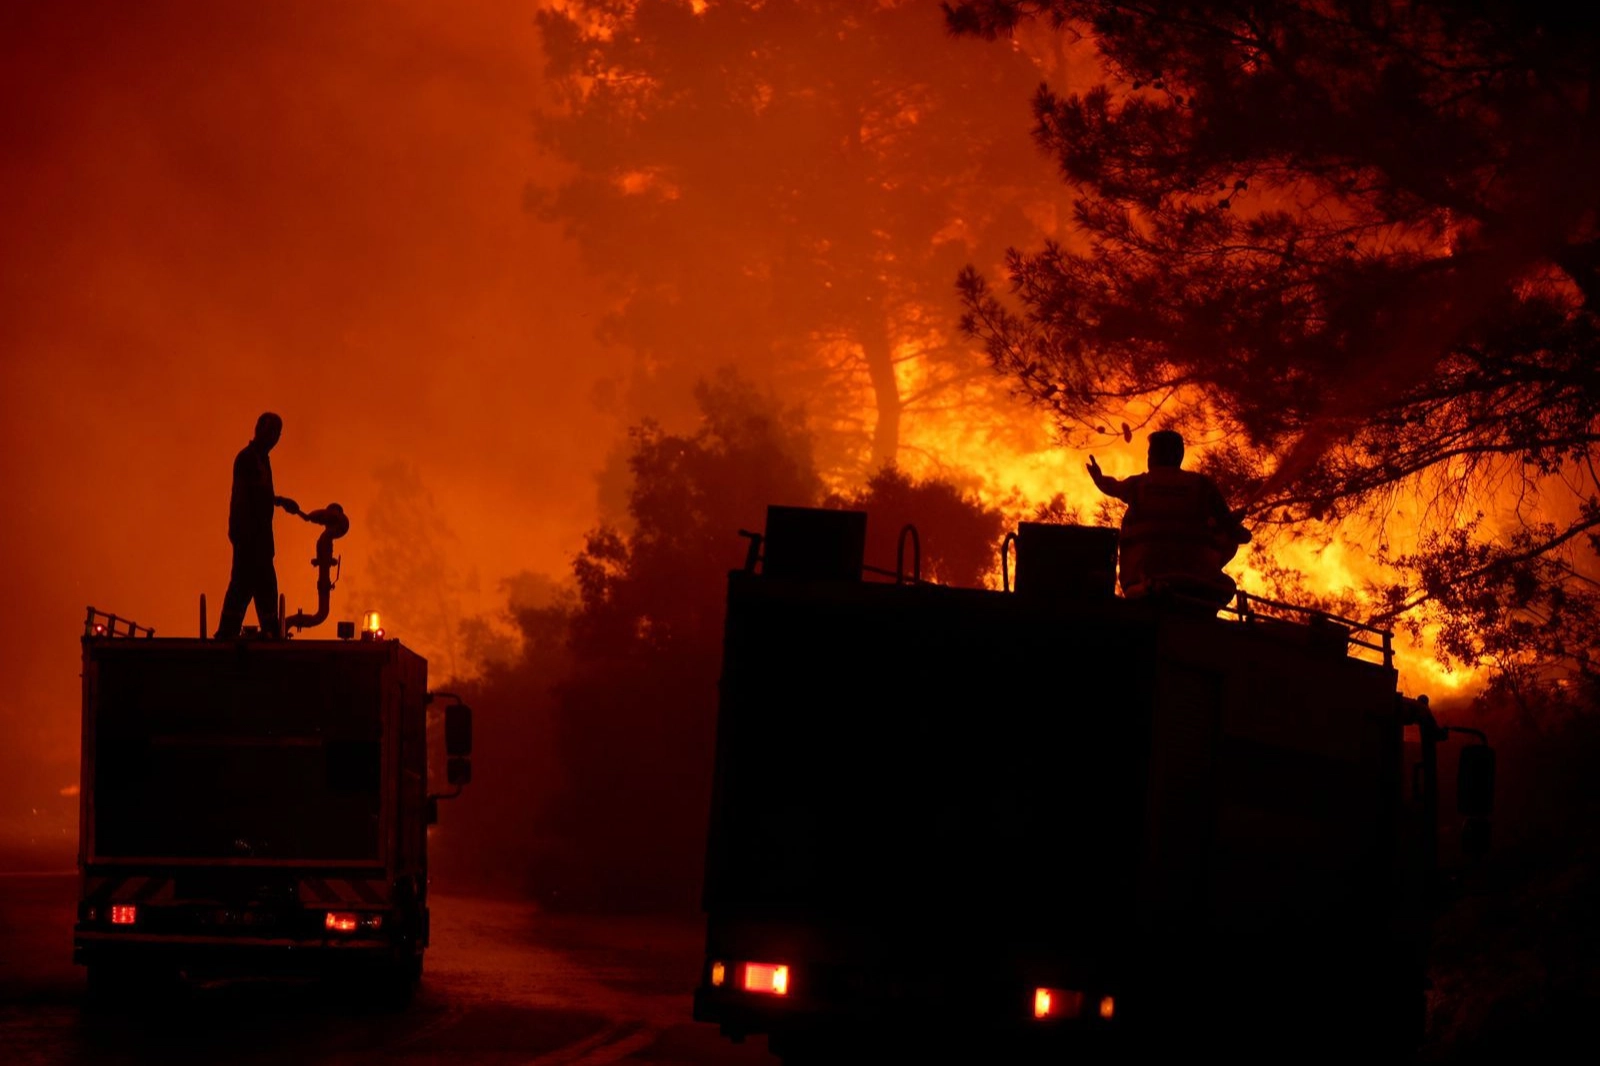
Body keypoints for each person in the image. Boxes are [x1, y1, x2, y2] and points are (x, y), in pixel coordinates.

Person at [1087, 429, 1250, 606]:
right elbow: (1232, 529)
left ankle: (1142, 588)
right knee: (1226, 586)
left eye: (1150, 453)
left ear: (1155, 456)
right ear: (1179, 455)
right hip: (1196, 579)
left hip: (1142, 575)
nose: (1148, 458)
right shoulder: (1201, 485)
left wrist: (1098, 478)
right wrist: (1234, 527)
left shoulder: (1139, 485)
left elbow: (1113, 487)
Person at [215, 412, 301, 639]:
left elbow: (261, 494)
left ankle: (259, 631)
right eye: (270, 431)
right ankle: (235, 633)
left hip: (258, 539)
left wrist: (279, 501)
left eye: (277, 433)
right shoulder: (247, 459)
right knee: (250, 586)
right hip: (249, 538)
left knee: (253, 587)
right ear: (259, 430)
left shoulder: (261, 460)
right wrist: (246, 537)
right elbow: (250, 497)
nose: (274, 438)